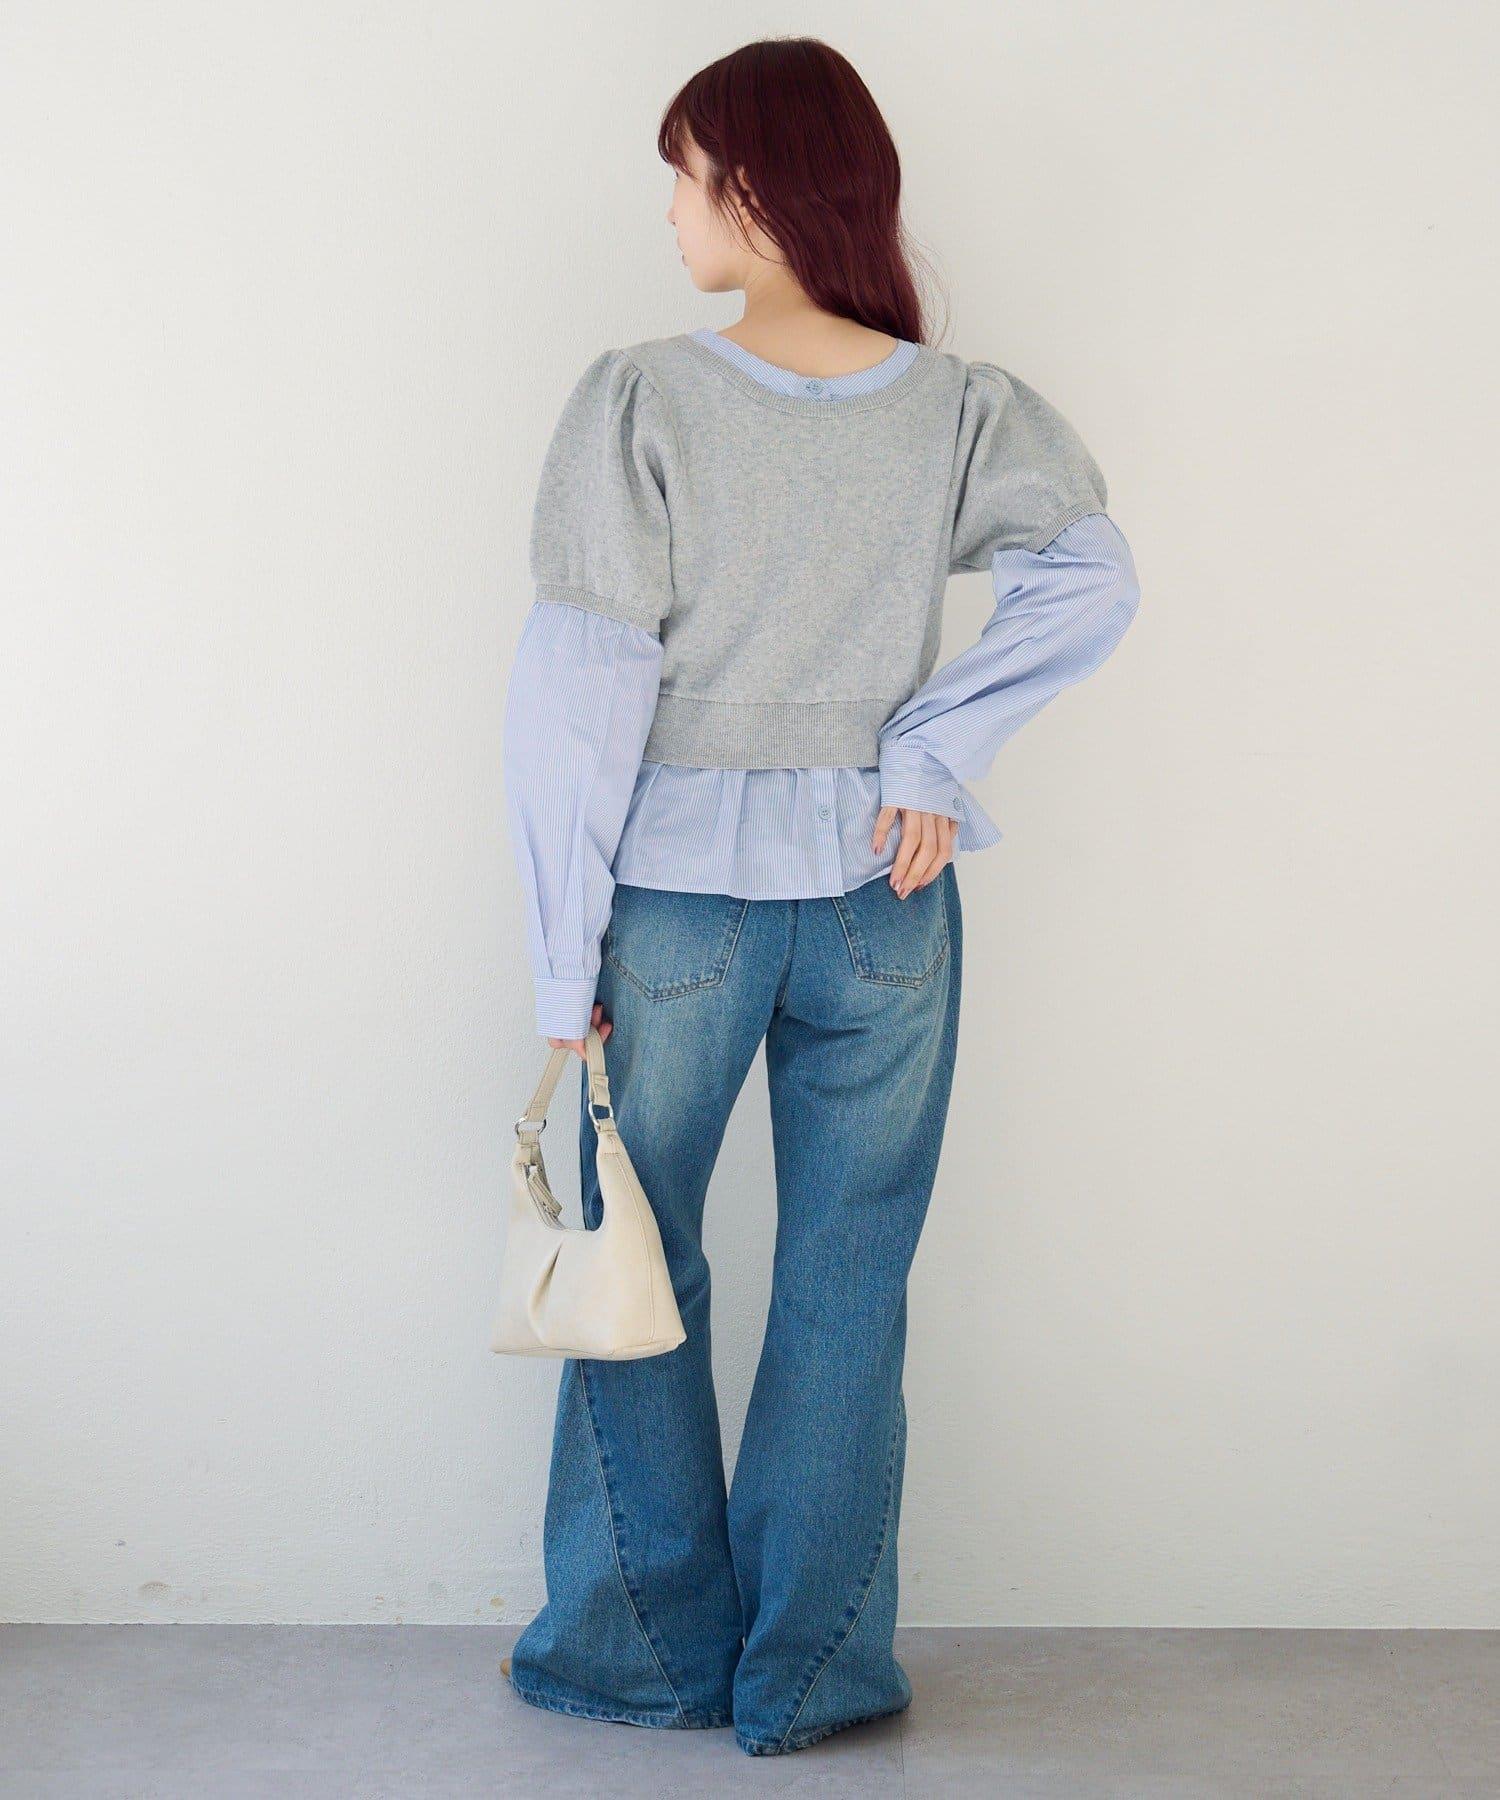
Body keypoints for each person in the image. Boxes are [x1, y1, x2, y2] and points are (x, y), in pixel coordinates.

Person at [499, 36, 1140, 1758]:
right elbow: (1093, 577)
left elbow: (580, 696)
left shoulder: (642, 397)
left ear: (759, 188)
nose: (670, 207)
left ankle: (642, 1653)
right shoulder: (959, 407)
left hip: (680, 907)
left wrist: (562, 964)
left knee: (641, 1261)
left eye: (686, 172)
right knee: (852, 1282)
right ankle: (815, 1672)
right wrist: (929, 750)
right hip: (887, 895)